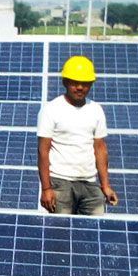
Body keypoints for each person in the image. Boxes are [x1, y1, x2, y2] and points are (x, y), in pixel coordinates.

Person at [37, 55, 119, 215]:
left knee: (92, 233)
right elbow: (43, 151)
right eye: (75, 82)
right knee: (61, 233)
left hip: (90, 183)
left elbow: (100, 149)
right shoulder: (51, 109)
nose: (80, 87)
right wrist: (46, 188)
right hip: (60, 183)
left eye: (85, 83)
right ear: (65, 82)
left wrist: (105, 186)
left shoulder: (96, 110)